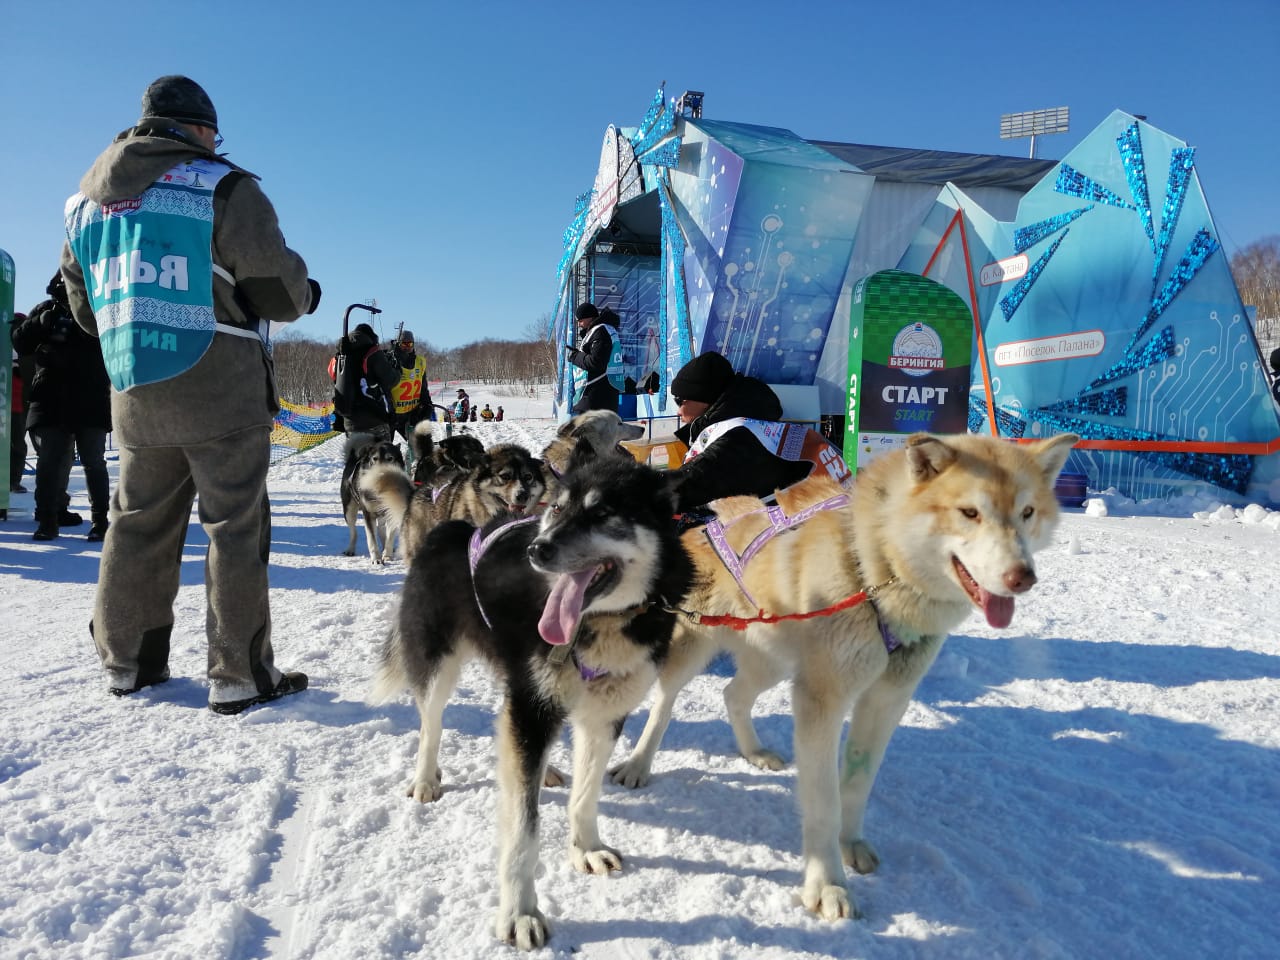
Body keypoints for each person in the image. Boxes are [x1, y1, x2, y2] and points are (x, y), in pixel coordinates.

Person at [60, 75, 321, 714]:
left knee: (136, 523)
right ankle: (238, 674)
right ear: (198, 129)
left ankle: (129, 662)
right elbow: (278, 290)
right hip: (219, 385)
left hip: (136, 387)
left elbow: (86, 308)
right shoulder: (220, 185)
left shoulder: (85, 206)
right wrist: (306, 290)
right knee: (233, 525)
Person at [11, 272, 112, 540]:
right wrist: (41, 323)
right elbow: (20, 341)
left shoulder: (100, 305)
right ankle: (47, 520)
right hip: (52, 395)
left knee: (93, 462)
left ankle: (100, 521)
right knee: (49, 463)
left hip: (89, 394)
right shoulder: (48, 308)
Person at [668, 351, 816, 514]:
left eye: (679, 400)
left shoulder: (738, 436)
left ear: (704, 399)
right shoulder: (751, 423)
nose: (678, 411)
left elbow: (690, 484)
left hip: (814, 528)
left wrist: (640, 489)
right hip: (809, 519)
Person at [333, 321, 399, 440]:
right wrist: (395, 368)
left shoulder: (339, 357)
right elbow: (391, 380)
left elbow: (333, 375)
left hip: (350, 422)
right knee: (381, 458)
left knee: (358, 457)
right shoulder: (373, 354)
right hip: (375, 420)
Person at [564, 303, 620, 413]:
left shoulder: (601, 332)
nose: (579, 324)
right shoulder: (606, 330)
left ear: (590, 317)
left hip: (597, 397)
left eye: (580, 320)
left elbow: (596, 362)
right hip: (602, 394)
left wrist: (574, 356)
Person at [387, 329, 435, 444]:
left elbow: (423, 387)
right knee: (385, 452)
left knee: (420, 447)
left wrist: (427, 403)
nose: (407, 346)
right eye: (404, 343)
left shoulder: (420, 362)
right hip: (391, 415)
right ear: (398, 344)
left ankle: (413, 460)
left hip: (410, 414)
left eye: (410, 343)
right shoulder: (389, 360)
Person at [9, 329, 33, 493]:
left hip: (18, 407)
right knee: (17, 446)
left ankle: (13, 481)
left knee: (17, 446)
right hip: (16, 406)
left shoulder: (26, 353)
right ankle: (12, 481)